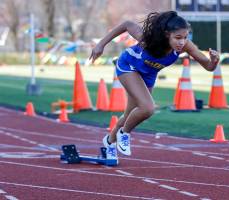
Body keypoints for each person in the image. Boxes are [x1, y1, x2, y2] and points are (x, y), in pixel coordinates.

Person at [90, 11, 219, 158]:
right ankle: (123, 133)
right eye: (177, 38)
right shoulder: (148, 40)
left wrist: (214, 61)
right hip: (128, 66)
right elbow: (126, 25)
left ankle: (109, 142)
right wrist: (101, 44)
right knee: (148, 108)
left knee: (129, 115)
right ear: (166, 34)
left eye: (185, 37)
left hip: (149, 75)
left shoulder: (185, 46)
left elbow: (209, 67)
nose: (182, 42)